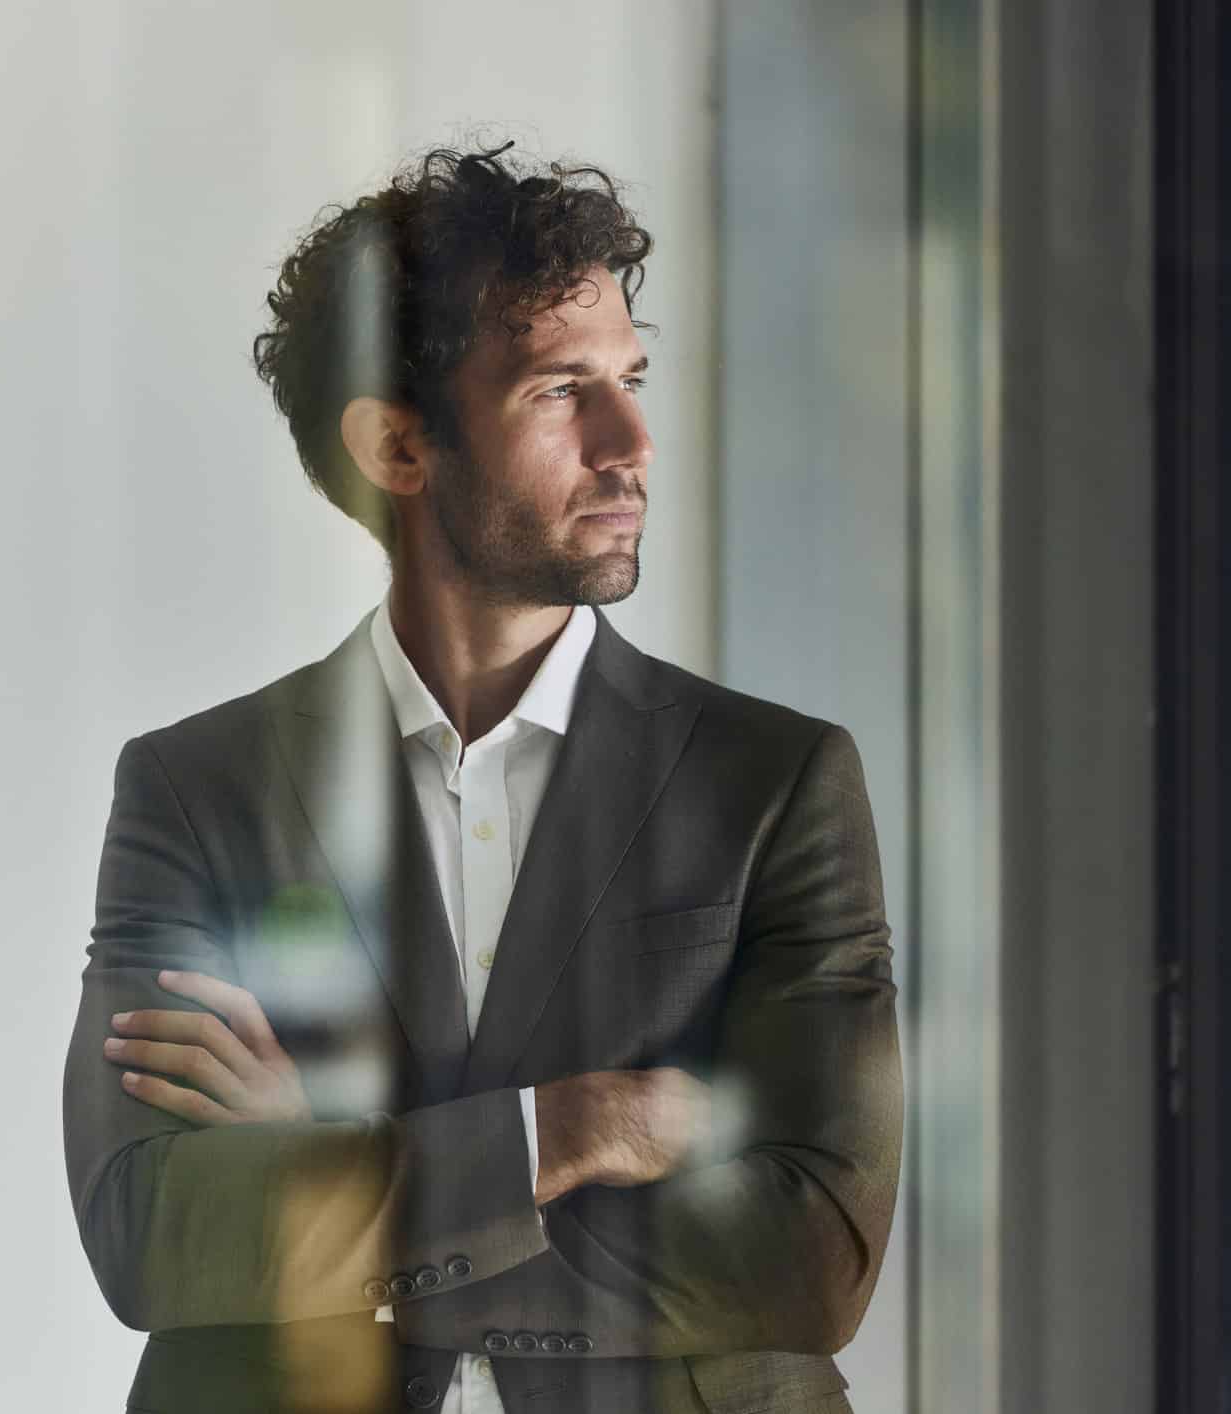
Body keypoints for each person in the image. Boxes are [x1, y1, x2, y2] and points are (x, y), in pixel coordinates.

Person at [61, 142, 901, 1414]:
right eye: (563, 391)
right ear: (398, 447)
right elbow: (153, 1235)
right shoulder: (197, 788)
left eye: (628, 377)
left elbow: (808, 1255)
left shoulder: (776, 782)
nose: (633, 440)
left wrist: (338, 1186)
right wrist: (566, 1129)